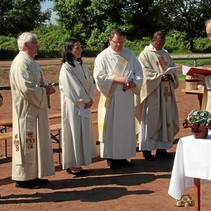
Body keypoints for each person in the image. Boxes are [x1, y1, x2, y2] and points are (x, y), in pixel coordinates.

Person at [10, 32, 56, 188]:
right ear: (25, 45)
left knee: (36, 144)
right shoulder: (20, 63)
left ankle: (34, 175)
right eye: (35, 43)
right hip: (26, 112)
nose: (38, 45)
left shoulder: (32, 62)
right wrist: (44, 91)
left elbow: (40, 81)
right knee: (26, 143)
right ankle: (23, 179)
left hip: (36, 109)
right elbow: (27, 88)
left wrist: (47, 87)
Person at [93, 28, 143, 169]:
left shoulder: (130, 55)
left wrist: (134, 83)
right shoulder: (102, 57)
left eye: (121, 42)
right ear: (110, 40)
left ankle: (122, 156)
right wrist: (116, 79)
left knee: (125, 128)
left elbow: (139, 73)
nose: (119, 45)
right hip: (112, 98)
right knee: (112, 128)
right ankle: (111, 158)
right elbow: (99, 78)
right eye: (116, 42)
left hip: (126, 98)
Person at [138, 31, 179, 161]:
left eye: (163, 43)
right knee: (151, 119)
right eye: (159, 43)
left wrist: (170, 75)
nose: (161, 45)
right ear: (153, 40)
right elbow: (143, 73)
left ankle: (162, 149)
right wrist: (159, 77)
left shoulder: (165, 53)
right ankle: (147, 150)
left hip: (166, 91)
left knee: (166, 117)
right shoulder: (144, 55)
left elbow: (173, 68)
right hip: (153, 92)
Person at [59, 38, 97, 175]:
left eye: (80, 47)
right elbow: (72, 88)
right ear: (69, 50)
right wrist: (85, 99)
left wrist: (90, 98)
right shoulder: (66, 67)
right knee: (73, 132)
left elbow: (90, 82)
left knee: (82, 132)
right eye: (77, 48)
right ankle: (72, 164)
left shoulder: (82, 64)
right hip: (74, 105)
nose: (80, 50)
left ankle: (79, 161)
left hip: (84, 104)